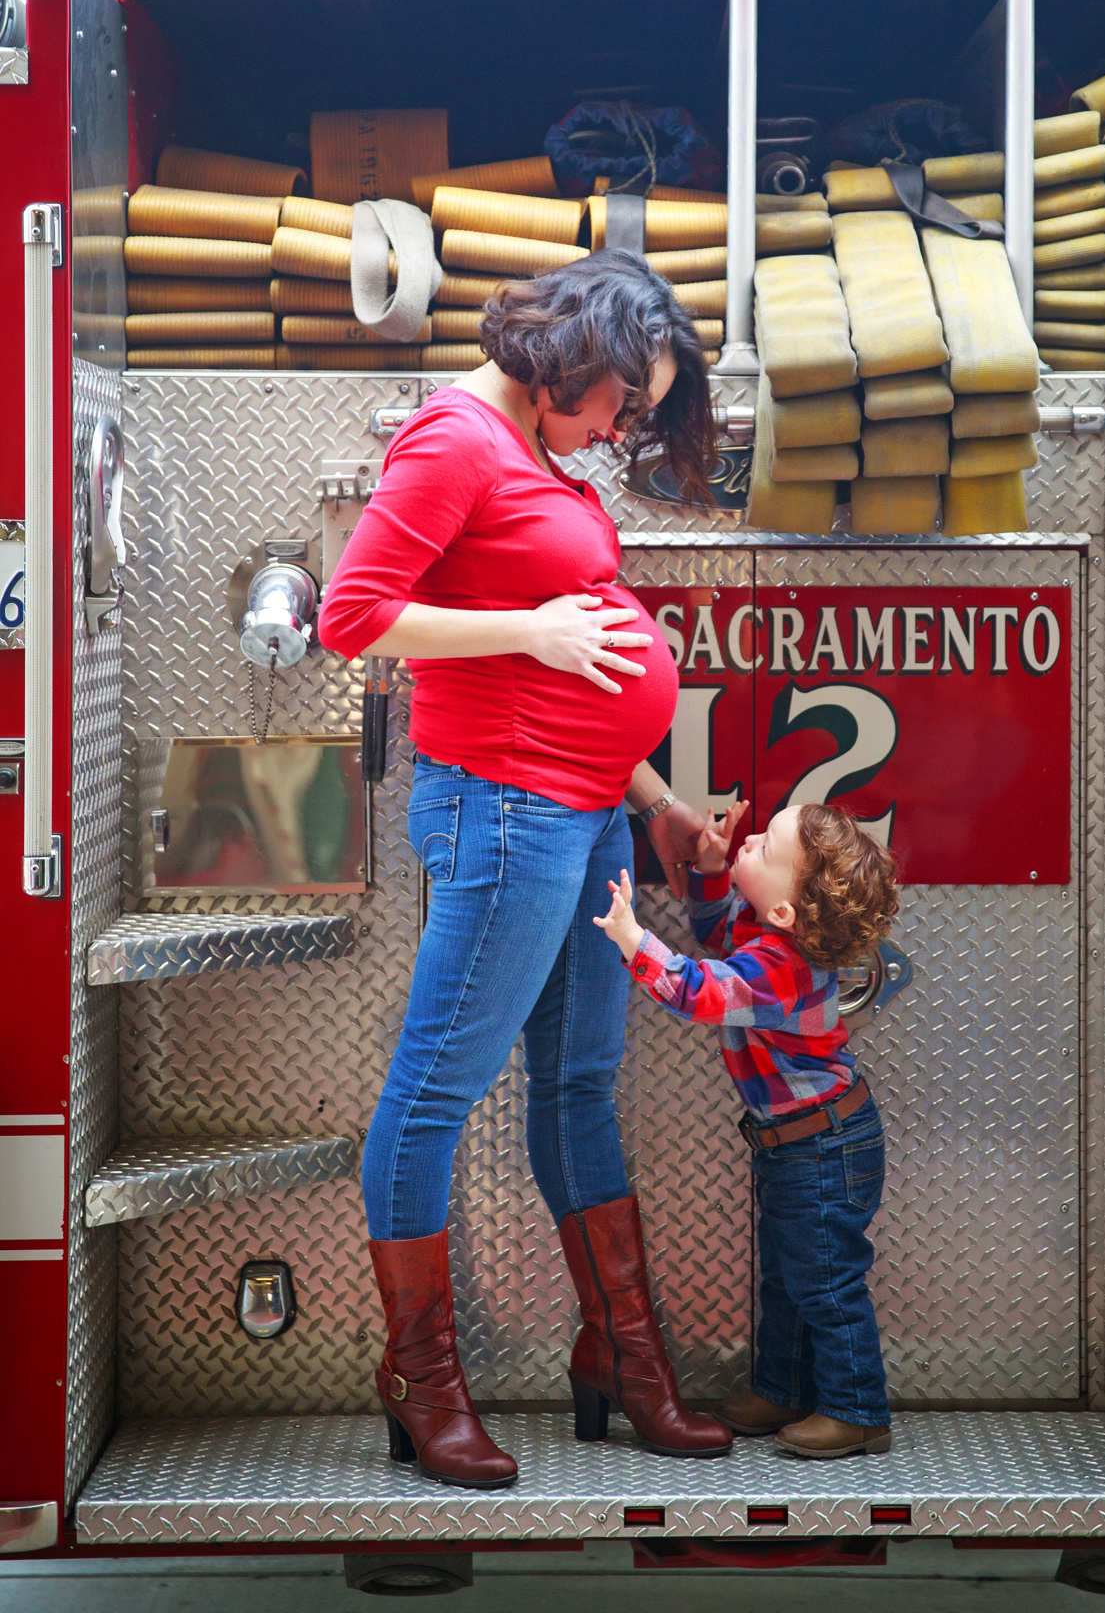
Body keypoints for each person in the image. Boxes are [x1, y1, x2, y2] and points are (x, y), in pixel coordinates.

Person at [317, 248, 732, 1490]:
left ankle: (622, 1356)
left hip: (587, 811)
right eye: (619, 397)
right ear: (563, 352)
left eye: (638, 411)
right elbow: (353, 614)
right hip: (502, 812)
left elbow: (590, 647)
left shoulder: (534, 454)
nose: (621, 426)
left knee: (580, 1090)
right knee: (432, 1095)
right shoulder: (454, 442)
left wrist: (652, 801)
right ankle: (422, 1379)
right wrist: (530, 628)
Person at [595, 797, 899, 1460]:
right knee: (786, 1279)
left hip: (822, 1148)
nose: (751, 837)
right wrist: (710, 869)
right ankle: (782, 1390)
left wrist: (632, 941)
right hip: (800, 1146)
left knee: (823, 1282)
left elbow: (701, 990)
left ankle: (856, 1409)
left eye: (765, 847)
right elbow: (715, 933)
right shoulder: (773, 938)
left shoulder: (781, 966)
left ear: (785, 911)